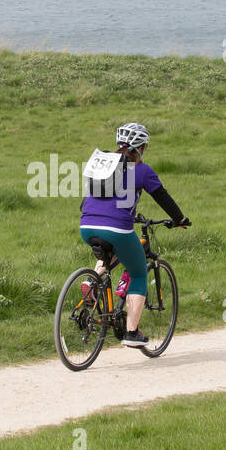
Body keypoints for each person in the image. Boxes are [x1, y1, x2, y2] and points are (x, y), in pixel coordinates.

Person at [79, 123, 190, 347]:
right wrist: (179, 219)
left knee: (112, 251)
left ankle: (93, 280)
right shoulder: (142, 170)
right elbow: (162, 197)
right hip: (117, 229)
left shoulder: (103, 164)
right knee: (138, 272)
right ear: (140, 147)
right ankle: (131, 333)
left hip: (87, 224)